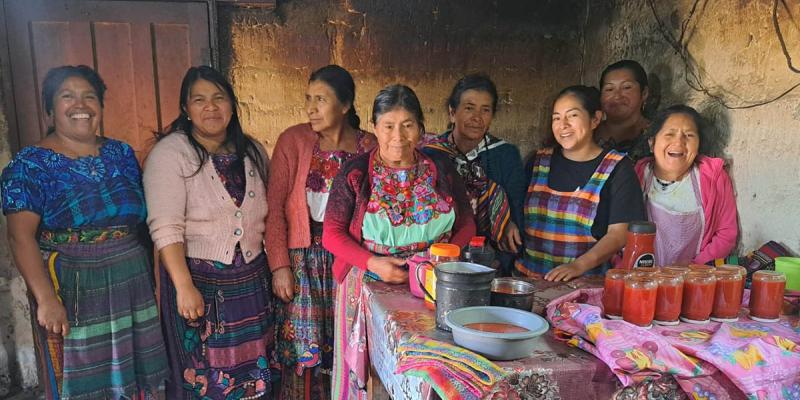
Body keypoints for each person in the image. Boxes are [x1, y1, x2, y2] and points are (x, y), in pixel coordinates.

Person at [1, 65, 169, 399]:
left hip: (131, 276)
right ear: (50, 109)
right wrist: (46, 300)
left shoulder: (120, 153)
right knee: (82, 378)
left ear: (101, 106)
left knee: (137, 374)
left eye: (89, 96)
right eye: (68, 96)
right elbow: (20, 237)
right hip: (73, 285)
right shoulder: (30, 164)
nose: (81, 105)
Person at [322, 84, 475, 399]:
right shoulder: (354, 173)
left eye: (407, 125)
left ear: (420, 128)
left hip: (435, 285)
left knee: (428, 373)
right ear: (375, 127)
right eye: (388, 125)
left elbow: (467, 223)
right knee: (368, 377)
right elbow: (332, 234)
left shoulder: (442, 168)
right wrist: (372, 262)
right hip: (367, 285)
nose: (398, 135)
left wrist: (444, 261)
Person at [143, 66, 277, 399]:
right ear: (186, 109)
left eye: (219, 98)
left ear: (232, 105)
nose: (211, 107)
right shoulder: (170, 155)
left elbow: (268, 216)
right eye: (199, 100)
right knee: (207, 379)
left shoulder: (253, 152)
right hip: (199, 288)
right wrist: (184, 286)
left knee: (254, 375)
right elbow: (165, 226)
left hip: (251, 285)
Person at [267, 65, 375, 400]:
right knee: (302, 351)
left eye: (321, 99)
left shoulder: (368, 146)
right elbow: (274, 209)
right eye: (308, 99)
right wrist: (279, 266)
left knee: (351, 346)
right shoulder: (293, 140)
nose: (311, 108)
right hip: (303, 263)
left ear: (345, 105)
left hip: (349, 261)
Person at [517, 85, 646, 281]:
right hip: (527, 281)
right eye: (556, 118)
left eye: (572, 116)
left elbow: (619, 234)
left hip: (584, 287)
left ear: (595, 119)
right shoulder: (537, 161)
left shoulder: (617, 168)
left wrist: (579, 265)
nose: (563, 124)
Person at [422, 74, 526, 274]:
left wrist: (508, 221)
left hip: (491, 258)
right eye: (469, 108)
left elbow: (517, 206)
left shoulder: (505, 154)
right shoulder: (432, 154)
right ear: (452, 113)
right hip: (442, 255)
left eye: (485, 110)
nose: (477, 118)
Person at [634, 105, 738, 266]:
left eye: (689, 135)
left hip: (693, 282)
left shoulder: (713, 177)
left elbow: (726, 234)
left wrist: (692, 273)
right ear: (652, 142)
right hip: (640, 281)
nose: (679, 142)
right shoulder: (637, 175)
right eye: (669, 134)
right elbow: (617, 231)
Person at [594, 60, 651, 161]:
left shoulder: (657, 135)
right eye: (609, 89)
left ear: (644, 93)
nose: (617, 96)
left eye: (626, 87)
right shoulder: (588, 135)